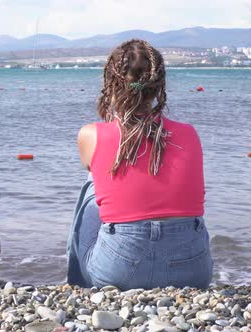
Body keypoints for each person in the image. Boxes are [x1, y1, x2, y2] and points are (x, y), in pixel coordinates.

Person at [67, 39, 213, 290]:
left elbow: (98, 176)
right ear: (158, 87)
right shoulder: (189, 133)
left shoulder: (91, 134)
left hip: (120, 271)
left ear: (111, 84)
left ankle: (78, 286)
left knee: (92, 186)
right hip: (192, 273)